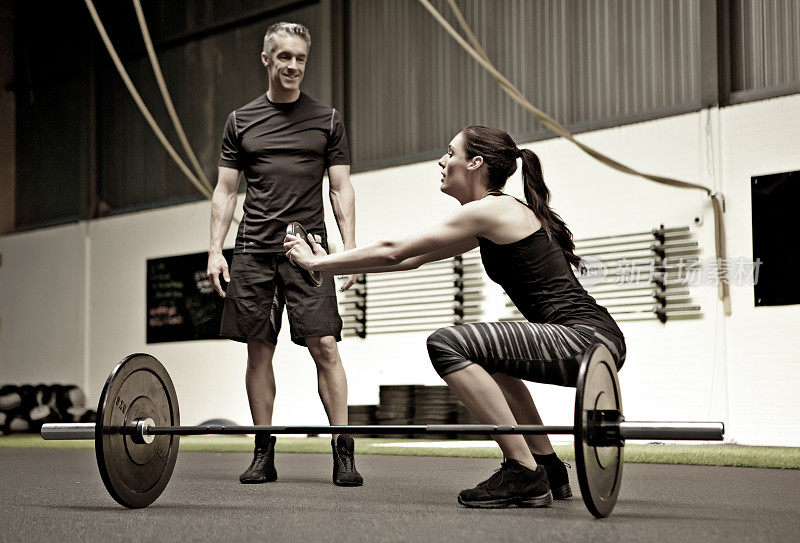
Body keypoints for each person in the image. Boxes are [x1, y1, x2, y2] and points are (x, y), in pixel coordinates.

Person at [284, 125, 626, 507]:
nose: (442, 161)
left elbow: (394, 250)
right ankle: (546, 465)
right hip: (592, 338)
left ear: (475, 163)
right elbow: (410, 259)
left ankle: (523, 471)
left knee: (448, 344)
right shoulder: (492, 215)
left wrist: (316, 261)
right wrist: (331, 264)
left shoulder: (491, 210)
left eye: (450, 153)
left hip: (586, 339)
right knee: (490, 358)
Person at [207, 22, 363, 487]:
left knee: (326, 348)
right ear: (266, 59)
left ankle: (343, 451)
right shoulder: (241, 121)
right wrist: (216, 251)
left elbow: (341, 188)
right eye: (284, 57)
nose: (293, 66)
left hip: (308, 252)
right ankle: (263, 451)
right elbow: (225, 191)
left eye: (300, 58)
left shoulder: (328, 119)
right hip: (253, 251)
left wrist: (349, 251)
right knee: (259, 351)